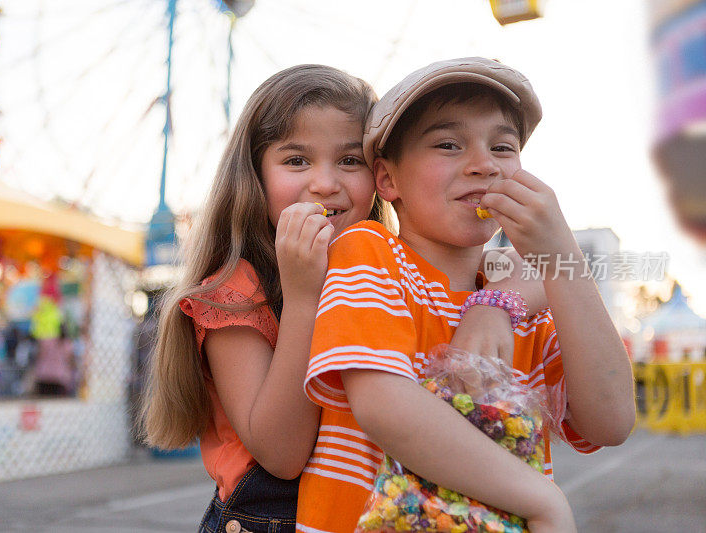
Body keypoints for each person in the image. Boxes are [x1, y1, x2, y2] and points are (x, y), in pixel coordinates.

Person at [142, 64, 552, 533]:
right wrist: (302, 298)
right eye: (296, 160)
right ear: (254, 177)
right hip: (270, 519)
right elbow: (282, 454)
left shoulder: (378, 265)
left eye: (349, 160)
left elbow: (538, 269)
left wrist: (493, 303)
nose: (324, 183)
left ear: (380, 177)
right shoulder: (234, 291)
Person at [296, 57, 637, 533]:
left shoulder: (526, 310)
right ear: (387, 179)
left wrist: (561, 255)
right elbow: (382, 404)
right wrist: (540, 500)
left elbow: (611, 420)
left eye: (503, 146)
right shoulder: (369, 252)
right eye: (448, 144)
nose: (483, 166)